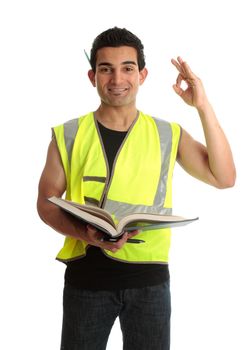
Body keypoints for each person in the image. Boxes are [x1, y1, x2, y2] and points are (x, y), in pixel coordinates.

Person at [37, 27, 236, 350]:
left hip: (150, 284)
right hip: (87, 281)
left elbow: (224, 178)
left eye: (127, 68)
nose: (117, 79)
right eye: (106, 69)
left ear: (142, 75)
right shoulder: (68, 134)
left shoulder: (168, 133)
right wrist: (84, 233)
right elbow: (46, 204)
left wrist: (202, 106)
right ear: (92, 76)